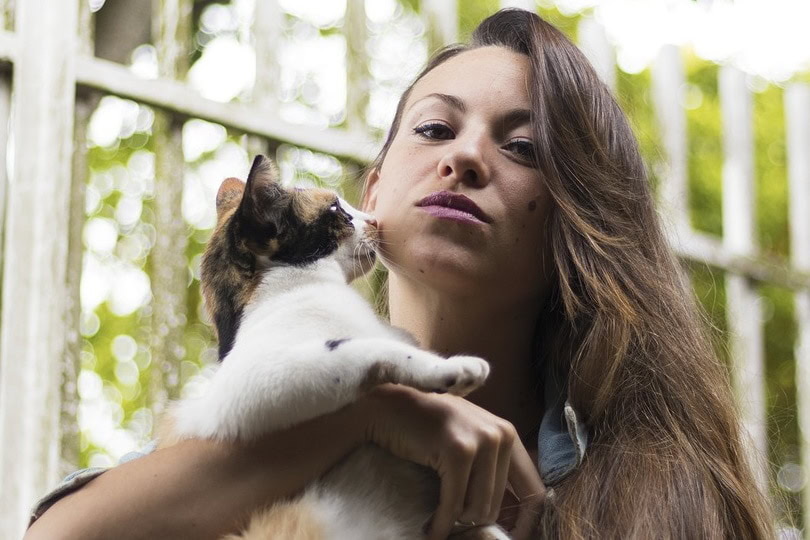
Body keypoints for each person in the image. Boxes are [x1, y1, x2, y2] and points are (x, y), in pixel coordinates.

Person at [25, 8, 773, 539]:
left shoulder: (659, 492)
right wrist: (370, 412)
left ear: (574, 220)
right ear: (373, 193)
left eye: (522, 149)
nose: (467, 157)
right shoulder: (245, 431)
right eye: (435, 129)